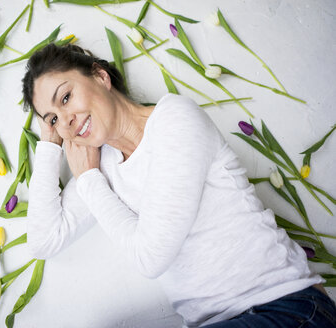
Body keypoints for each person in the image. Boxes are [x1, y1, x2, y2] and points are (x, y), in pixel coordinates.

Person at [21, 43, 336, 327]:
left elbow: (151, 257)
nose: (65, 122)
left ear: (101, 77)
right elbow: (44, 238)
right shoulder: (99, 165)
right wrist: (49, 146)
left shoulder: (174, 119)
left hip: (285, 307)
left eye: (66, 97)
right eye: (52, 119)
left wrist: (89, 180)